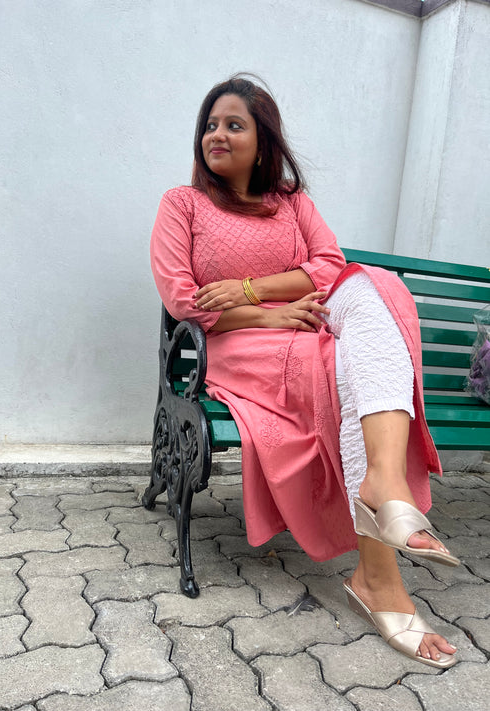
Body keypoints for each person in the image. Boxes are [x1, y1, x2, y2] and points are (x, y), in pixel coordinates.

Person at [150, 76, 459, 668]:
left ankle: (382, 488)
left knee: (374, 286)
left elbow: (330, 266)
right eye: (210, 125)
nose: (217, 135)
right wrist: (267, 314)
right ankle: (379, 577)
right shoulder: (182, 204)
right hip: (240, 346)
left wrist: (249, 287)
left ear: (263, 143)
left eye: (234, 125)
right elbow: (185, 300)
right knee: (347, 370)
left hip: (306, 328)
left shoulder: (291, 202)